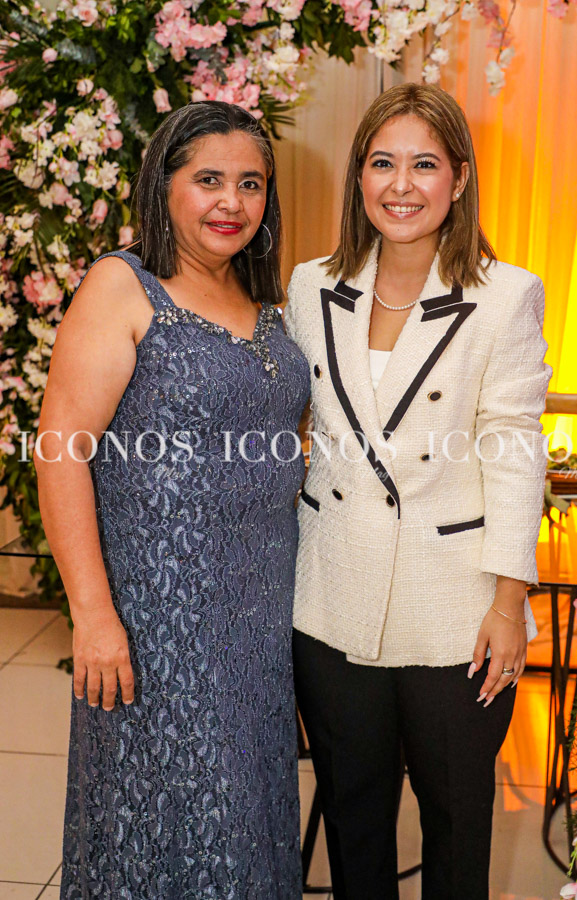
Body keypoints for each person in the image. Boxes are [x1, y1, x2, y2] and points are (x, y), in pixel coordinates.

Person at [35, 100, 309, 898]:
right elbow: (60, 449)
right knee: (169, 820)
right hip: (160, 622)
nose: (233, 201)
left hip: (259, 614)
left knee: (249, 817)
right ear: (165, 185)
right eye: (209, 180)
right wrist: (93, 614)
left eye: (251, 183)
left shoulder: (262, 300)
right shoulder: (124, 286)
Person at [285, 83, 552, 899]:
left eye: (425, 165)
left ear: (459, 178)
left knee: (457, 822)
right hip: (332, 598)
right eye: (383, 163)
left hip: (456, 611)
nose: (401, 185)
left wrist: (508, 601)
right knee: (354, 818)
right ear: (360, 178)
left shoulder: (504, 295)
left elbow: (514, 451)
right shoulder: (309, 285)